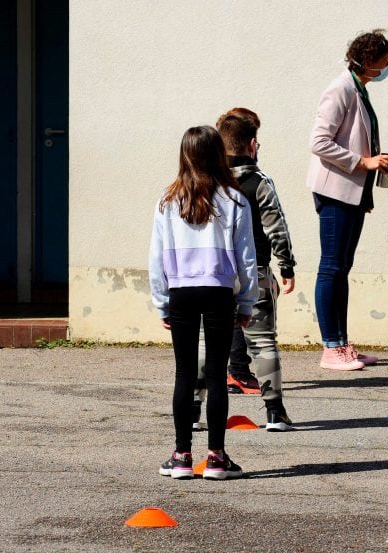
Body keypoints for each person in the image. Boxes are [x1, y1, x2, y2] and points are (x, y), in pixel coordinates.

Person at [149, 125, 258, 479]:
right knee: (215, 374)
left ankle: (181, 456)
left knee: (184, 373)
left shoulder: (168, 200)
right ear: (218, 154)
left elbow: (157, 257)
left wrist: (161, 300)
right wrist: (246, 301)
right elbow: (246, 257)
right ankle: (216, 457)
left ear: (184, 155)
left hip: (181, 291)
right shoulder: (235, 199)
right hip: (218, 291)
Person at [193, 107, 297, 432]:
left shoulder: (206, 182)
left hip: (213, 274)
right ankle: (274, 411)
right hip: (255, 270)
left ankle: (194, 410)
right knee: (263, 340)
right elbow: (275, 226)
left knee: (206, 342)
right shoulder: (260, 182)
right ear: (252, 145)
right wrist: (287, 265)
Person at [306, 29, 388, 371]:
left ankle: (341, 343)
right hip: (334, 192)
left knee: (341, 267)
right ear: (369, 61)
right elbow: (319, 142)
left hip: (352, 193)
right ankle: (331, 348)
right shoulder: (340, 89)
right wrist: (364, 162)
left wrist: (367, 187)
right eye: (384, 62)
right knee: (331, 267)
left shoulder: (358, 88)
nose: (387, 68)